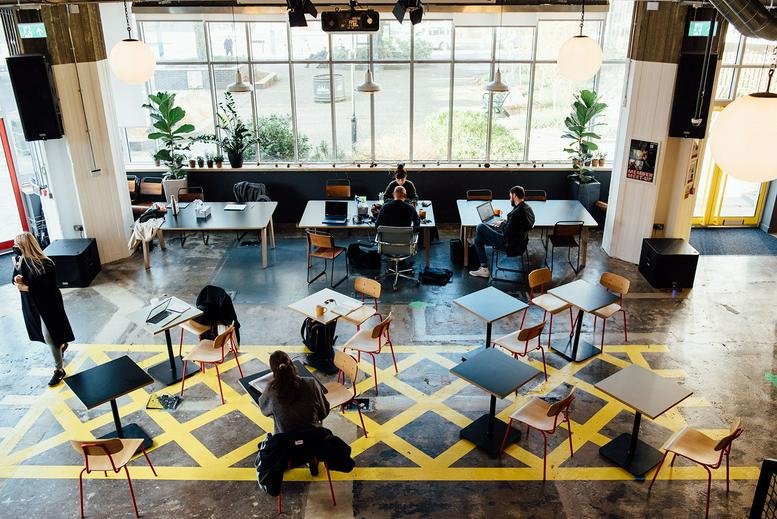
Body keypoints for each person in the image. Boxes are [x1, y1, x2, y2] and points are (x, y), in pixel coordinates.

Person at [11, 232, 75, 386]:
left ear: (25, 246)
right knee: (46, 334)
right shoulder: (20, 261)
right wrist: (16, 280)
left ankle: (59, 370)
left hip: (48, 305)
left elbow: (47, 288)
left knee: (49, 336)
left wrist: (26, 288)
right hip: (32, 305)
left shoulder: (46, 264)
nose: (14, 248)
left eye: (17, 245)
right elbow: (14, 278)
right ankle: (61, 344)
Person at [469, 185, 535, 278]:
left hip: (510, 245)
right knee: (478, 240)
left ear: (514, 196)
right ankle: (484, 268)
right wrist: (506, 221)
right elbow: (518, 225)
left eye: (510, 196)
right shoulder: (527, 208)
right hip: (521, 242)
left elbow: (507, 233)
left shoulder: (517, 213)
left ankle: (483, 267)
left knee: (480, 226)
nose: (510, 199)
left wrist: (502, 224)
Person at [258, 350, 330, 434]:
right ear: (291, 364)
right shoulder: (311, 384)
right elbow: (324, 411)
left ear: (273, 371)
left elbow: (264, 410)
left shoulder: (271, 390)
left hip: (286, 439)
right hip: (313, 435)